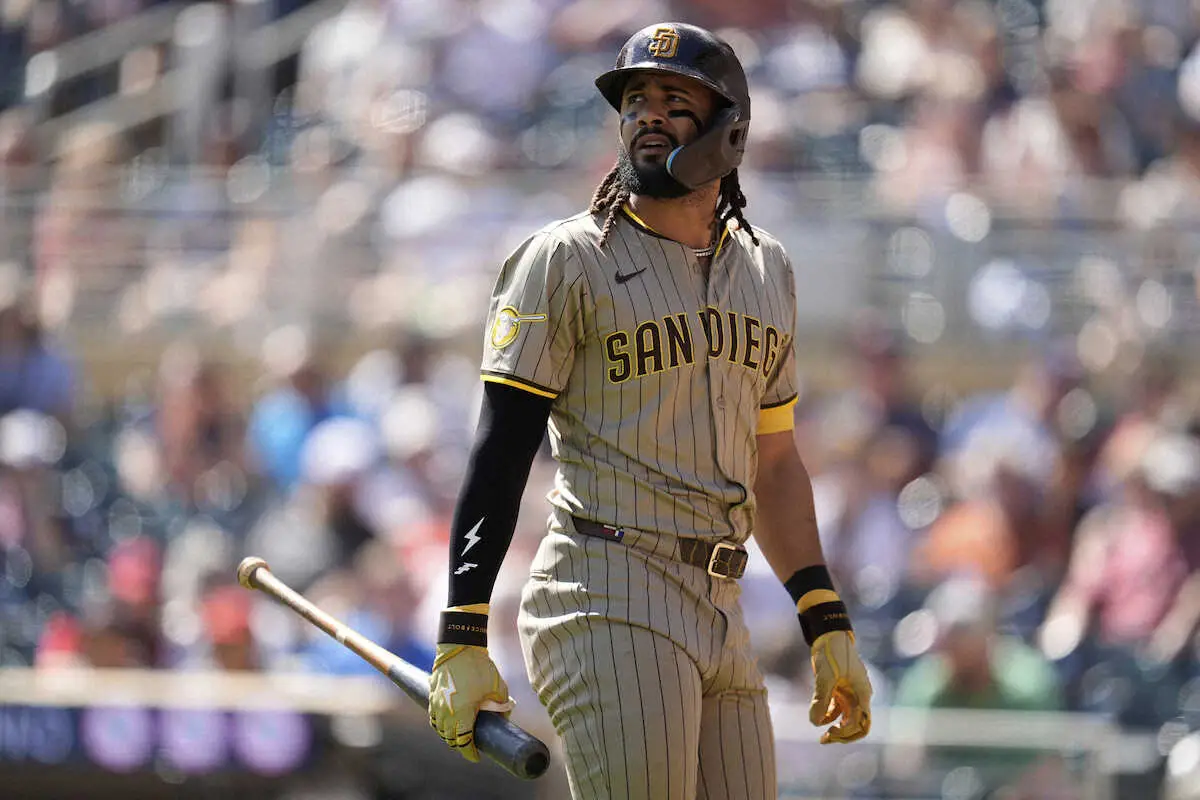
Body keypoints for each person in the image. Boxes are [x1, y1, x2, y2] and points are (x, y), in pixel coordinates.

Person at [425, 22, 872, 799]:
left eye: (675, 100)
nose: (648, 115)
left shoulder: (767, 269)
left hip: (722, 602)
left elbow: (774, 463)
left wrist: (824, 617)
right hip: (607, 586)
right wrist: (461, 630)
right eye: (635, 100)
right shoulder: (566, 259)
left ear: (731, 130)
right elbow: (501, 451)